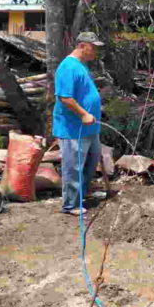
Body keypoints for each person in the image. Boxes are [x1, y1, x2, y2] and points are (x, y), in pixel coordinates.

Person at [53, 32, 104, 216]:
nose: (95, 51)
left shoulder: (81, 66)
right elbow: (64, 97)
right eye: (93, 47)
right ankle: (70, 205)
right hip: (73, 128)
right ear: (82, 45)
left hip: (90, 127)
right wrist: (83, 114)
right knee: (73, 167)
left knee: (90, 163)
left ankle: (80, 196)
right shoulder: (67, 67)